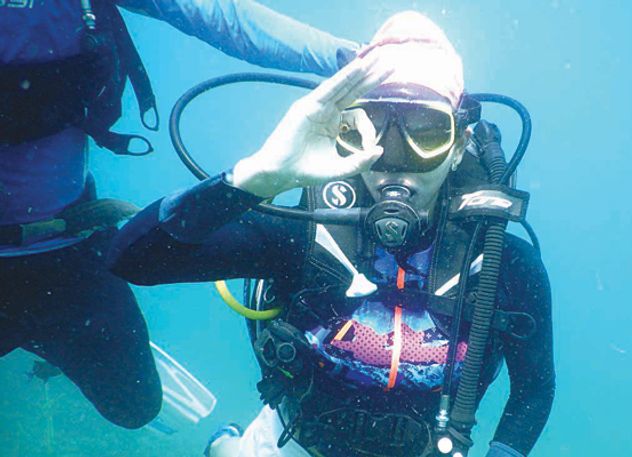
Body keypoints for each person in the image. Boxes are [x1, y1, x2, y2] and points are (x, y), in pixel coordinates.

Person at [109, 11, 554, 456]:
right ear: (344, 132)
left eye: (426, 133)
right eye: (371, 129)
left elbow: (534, 389)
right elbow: (134, 260)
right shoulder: (303, 234)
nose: (395, 160)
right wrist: (255, 179)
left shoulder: (500, 262)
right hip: (293, 444)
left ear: (459, 146)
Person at [0, 0, 357, 430]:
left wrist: (359, 59)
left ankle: (43, 342)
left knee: (135, 407)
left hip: (68, 249)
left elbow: (216, 14)